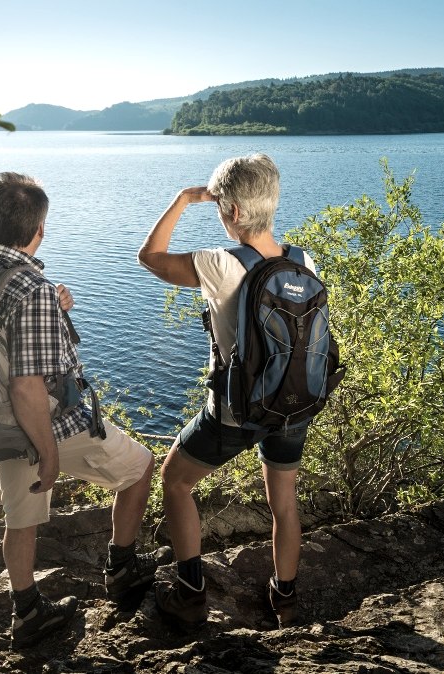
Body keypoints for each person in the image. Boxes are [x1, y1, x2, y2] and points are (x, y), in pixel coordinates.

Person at [0, 172, 170, 649]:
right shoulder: (31, 287)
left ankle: (28, 612)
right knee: (139, 469)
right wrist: (49, 452)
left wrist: (51, 305)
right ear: (39, 228)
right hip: (45, 424)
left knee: (21, 518)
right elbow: (28, 386)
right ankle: (122, 570)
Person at [137, 153, 310, 630]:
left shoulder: (220, 263)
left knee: (175, 481)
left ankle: (191, 592)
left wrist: (181, 201)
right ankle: (286, 598)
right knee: (285, 502)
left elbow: (149, 257)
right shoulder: (302, 260)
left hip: (237, 412)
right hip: (294, 404)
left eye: (218, 207)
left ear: (231, 212)